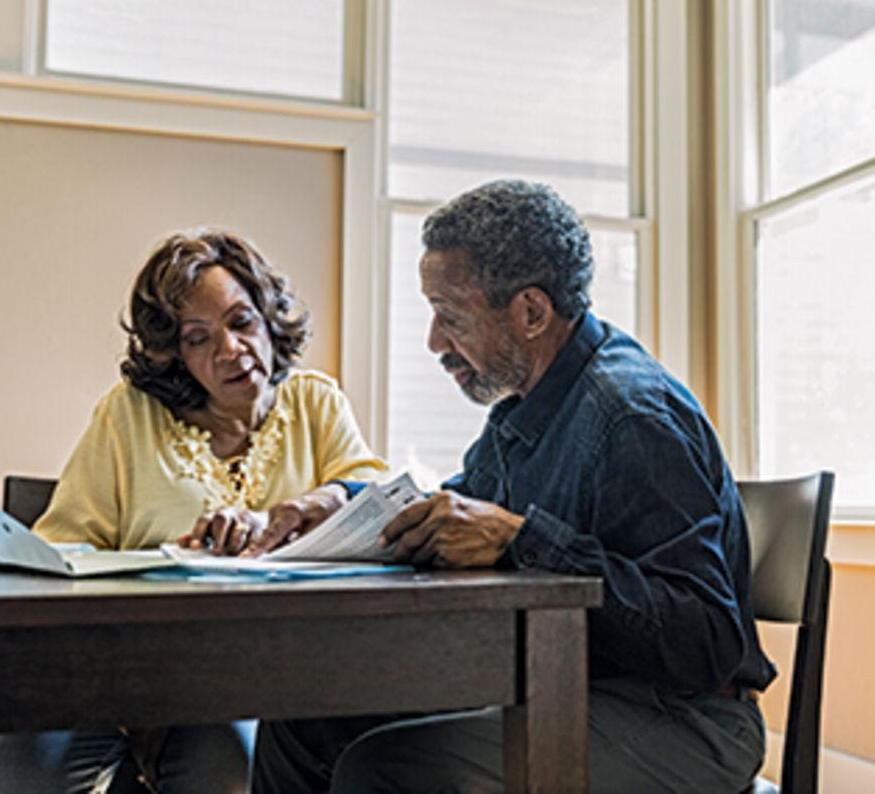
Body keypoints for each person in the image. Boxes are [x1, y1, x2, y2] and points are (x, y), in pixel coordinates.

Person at [250, 180, 776, 793]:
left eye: (450, 316)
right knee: (303, 719)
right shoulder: (525, 406)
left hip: (686, 721)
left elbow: (706, 639)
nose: (434, 342)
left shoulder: (632, 417)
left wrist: (522, 541)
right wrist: (336, 505)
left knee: (384, 769)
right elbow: (448, 509)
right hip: (562, 684)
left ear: (531, 311)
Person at [0, 230, 385, 794]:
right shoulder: (128, 415)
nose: (232, 350)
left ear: (268, 318)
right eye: (199, 339)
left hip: (247, 682)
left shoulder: (316, 402)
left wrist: (314, 502)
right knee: (21, 773)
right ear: (174, 354)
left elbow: (374, 487)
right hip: (111, 670)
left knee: (230, 772)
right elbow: (60, 549)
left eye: (242, 322)